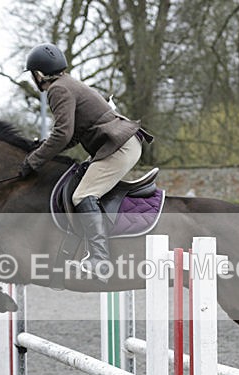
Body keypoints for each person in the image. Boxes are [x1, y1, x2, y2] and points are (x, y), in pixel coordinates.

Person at [20, 43, 152, 283]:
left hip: (119, 146)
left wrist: (34, 160)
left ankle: (100, 260)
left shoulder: (58, 90)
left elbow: (62, 134)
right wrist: (41, 148)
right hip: (118, 142)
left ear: (38, 74)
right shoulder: (68, 83)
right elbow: (71, 135)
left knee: (83, 195)